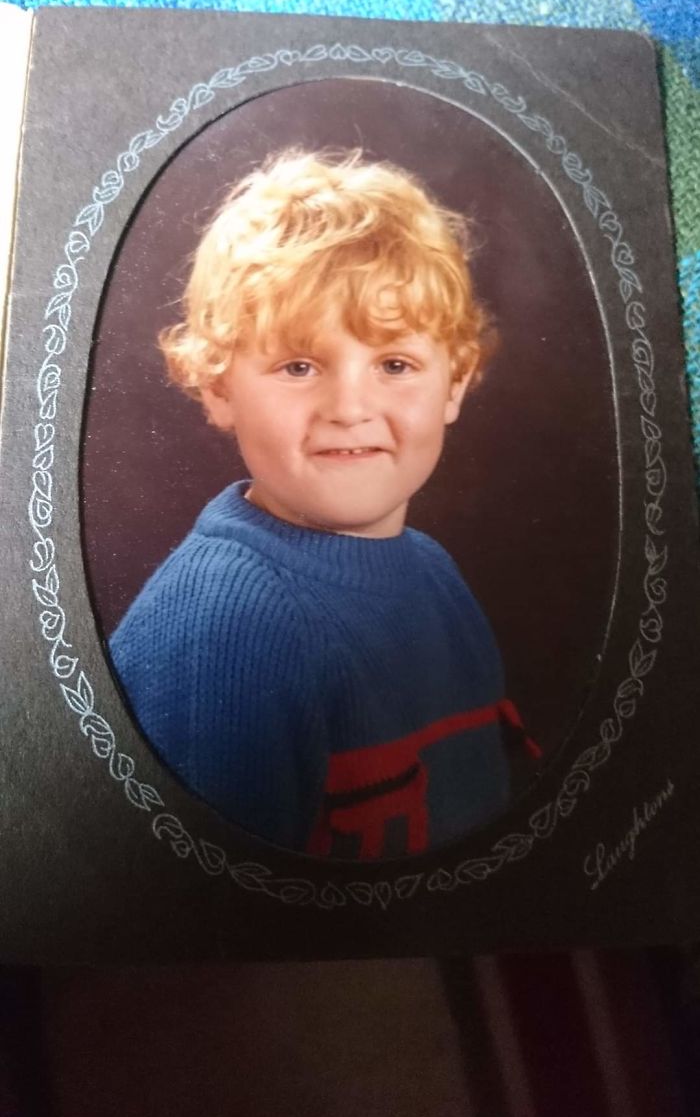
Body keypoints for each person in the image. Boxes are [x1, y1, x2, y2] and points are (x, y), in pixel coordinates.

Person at [109, 149, 539, 860]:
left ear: (455, 384)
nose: (349, 407)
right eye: (299, 366)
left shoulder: (433, 573)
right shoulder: (224, 627)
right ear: (218, 387)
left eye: (395, 364)